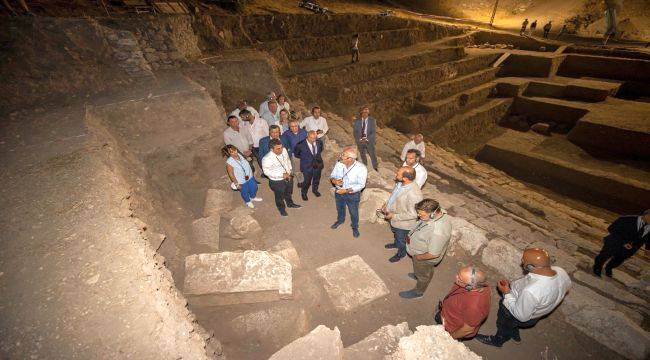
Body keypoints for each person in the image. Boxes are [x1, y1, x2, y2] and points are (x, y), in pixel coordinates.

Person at [476, 248, 571, 347]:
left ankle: (498, 340)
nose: (521, 262)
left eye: (523, 261)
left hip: (515, 313)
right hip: (534, 313)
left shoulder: (531, 291)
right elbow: (566, 287)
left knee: (504, 323)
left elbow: (520, 316)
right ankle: (514, 333)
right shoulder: (560, 272)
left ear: (530, 266)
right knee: (511, 325)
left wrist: (507, 293)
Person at [400, 198, 452, 298]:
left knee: (424, 274)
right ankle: (418, 273)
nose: (418, 216)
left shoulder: (438, 231)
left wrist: (418, 257)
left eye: (421, 214)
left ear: (433, 214)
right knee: (421, 270)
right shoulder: (437, 213)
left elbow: (433, 254)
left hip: (424, 258)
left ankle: (418, 292)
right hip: (420, 253)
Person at [435, 266, 491, 339]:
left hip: (451, 326)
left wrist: (450, 338)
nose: (456, 277)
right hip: (449, 313)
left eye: (459, 279)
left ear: (469, 287)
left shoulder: (474, 307)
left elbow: (467, 330)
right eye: (458, 274)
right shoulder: (477, 286)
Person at [382, 167, 423, 262]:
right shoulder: (400, 183)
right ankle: (396, 244)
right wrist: (386, 204)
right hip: (394, 217)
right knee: (395, 233)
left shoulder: (415, 194)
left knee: (402, 240)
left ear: (405, 178)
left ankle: (401, 253)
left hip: (403, 224)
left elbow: (413, 214)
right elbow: (394, 195)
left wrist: (393, 216)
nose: (396, 174)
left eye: (398, 174)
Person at [593, 209, 650, 277]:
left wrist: (648, 249)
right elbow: (612, 228)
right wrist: (624, 242)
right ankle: (597, 267)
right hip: (615, 242)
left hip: (631, 249)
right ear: (646, 215)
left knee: (618, 260)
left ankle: (609, 268)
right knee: (605, 255)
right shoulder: (626, 219)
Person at [330, 147, 368, 238]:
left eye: (343, 155)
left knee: (354, 212)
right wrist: (334, 181)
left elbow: (361, 185)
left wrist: (346, 190)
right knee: (340, 208)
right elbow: (332, 175)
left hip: (352, 194)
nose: (341, 156)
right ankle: (340, 220)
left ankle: (355, 227)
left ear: (350, 159)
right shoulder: (339, 163)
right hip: (339, 191)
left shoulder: (361, 168)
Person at [262, 139, 301, 216]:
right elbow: (267, 172)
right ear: (271, 149)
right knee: (279, 196)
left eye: (281, 147)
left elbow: (287, 160)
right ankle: (281, 209)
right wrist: (281, 174)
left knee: (289, 192)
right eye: (278, 149)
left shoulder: (284, 150)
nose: (281, 150)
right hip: (277, 181)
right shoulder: (266, 158)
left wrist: (289, 170)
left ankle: (290, 203)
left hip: (288, 176)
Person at [294, 130, 324, 201]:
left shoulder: (319, 142)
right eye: (311, 138)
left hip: (318, 164)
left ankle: (315, 190)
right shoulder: (300, 145)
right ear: (307, 136)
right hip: (307, 166)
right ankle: (304, 193)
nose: (313, 140)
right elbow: (297, 154)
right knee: (307, 181)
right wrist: (306, 159)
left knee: (317, 179)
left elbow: (320, 150)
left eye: (315, 138)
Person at [282, 119, 308, 186]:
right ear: (289, 127)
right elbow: (284, 143)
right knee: (297, 168)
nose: (294, 128)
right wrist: (288, 151)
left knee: (302, 167)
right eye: (292, 126)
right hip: (294, 154)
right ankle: (300, 181)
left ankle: (297, 176)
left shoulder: (304, 132)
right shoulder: (286, 133)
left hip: (304, 153)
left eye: (295, 126)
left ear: (298, 125)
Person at [354, 107, 378, 171]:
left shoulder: (372, 120)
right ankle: (365, 165)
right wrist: (359, 139)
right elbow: (355, 132)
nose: (365, 114)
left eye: (366, 112)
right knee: (362, 154)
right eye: (364, 112)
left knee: (372, 154)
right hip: (360, 140)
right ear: (361, 112)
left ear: (368, 113)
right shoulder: (357, 121)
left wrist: (366, 139)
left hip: (369, 140)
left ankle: (375, 167)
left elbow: (373, 132)